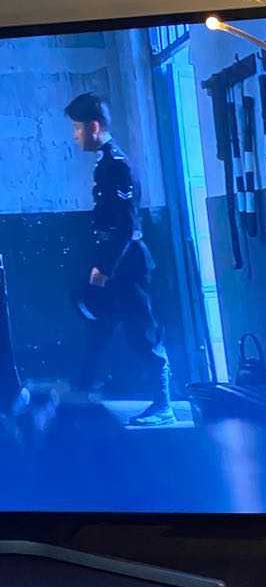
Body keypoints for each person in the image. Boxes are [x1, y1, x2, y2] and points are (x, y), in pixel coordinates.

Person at [64, 92, 175, 427]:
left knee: (143, 331)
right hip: (113, 259)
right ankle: (85, 393)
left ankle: (164, 405)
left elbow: (126, 226)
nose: (75, 135)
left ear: (94, 126)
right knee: (98, 325)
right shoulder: (105, 163)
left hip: (127, 262)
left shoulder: (117, 165)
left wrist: (105, 269)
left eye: (78, 128)